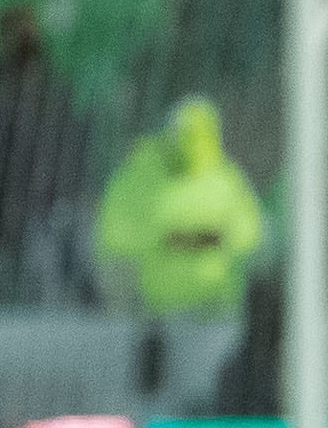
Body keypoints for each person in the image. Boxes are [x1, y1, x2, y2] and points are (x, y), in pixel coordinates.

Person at [93, 98, 265, 317]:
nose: (193, 145)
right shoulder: (138, 178)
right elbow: (115, 247)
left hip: (213, 315)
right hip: (157, 320)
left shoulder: (226, 180)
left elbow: (249, 240)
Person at [0, 5, 89, 303]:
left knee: (85, 276)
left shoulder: (56, 88)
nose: (24, 38)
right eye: (17, 32)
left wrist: (79, 190)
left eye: (28, 30)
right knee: (39, 285)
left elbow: (74, 144)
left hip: (64, 201)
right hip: (20, 209)